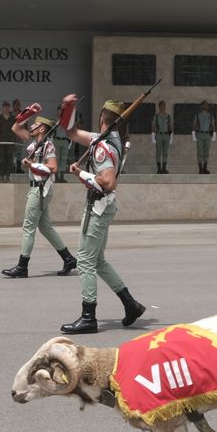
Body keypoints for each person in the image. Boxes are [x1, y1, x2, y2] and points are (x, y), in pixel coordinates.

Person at [59, 97, 146, 334]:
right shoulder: (107, 138)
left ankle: (89, 317)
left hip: (98, 206)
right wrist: (69, 108)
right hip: (104, 206)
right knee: (97, 261)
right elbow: (71, 132)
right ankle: (131, 304)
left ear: (101, 118)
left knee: (85, 260)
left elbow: (108, 182)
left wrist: (81, 174)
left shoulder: (103, 147)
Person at [1, 115, 78, 279]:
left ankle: (22, 267)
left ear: (42, 128)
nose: (32, 126)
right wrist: (27, 113)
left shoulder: (47, 146)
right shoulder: (34, 145)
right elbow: (15, 128)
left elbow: (54, 168)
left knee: (28, 227)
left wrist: (32, 165)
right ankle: (68, 259)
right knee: (45, 227)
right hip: (37, 189)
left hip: (40, 190)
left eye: (35, 124)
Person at [0, 101, 16, 181]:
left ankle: (8, 176)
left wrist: (15, 141)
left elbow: (16, 130)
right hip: (1, 143)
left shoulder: (13, 118)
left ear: (9, 108)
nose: (6, 109)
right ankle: (2, 176)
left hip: (10, 143)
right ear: (2, 108)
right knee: (1, 160)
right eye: (4, 107)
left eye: (7, 107)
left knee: (9, 160)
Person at [192, 101, 216, 174]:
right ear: (201, 106)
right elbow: (194, 124)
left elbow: (213, 125)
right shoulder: (198, 115)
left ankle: (205, 168)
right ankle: (200, 169)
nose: (206, 106)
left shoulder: (210, 115)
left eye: (207, 105)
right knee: (200, 152)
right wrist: (193, 134)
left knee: (206, 153)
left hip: (207, 135)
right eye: (204, 105)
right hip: (200, 134)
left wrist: (214, 134)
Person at [152, 101, 173, 173]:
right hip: (159, 135)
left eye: (164, 105)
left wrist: (171, 135)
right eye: (162, 105)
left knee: (165, 152)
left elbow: (170, 126)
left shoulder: (168, 116)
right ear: (159, 106)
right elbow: (153, 126)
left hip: (166, 135)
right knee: (159, 152)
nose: (163, 107)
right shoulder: (156, 116)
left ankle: (164, 168)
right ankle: (159, 168)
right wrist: (153, 135)